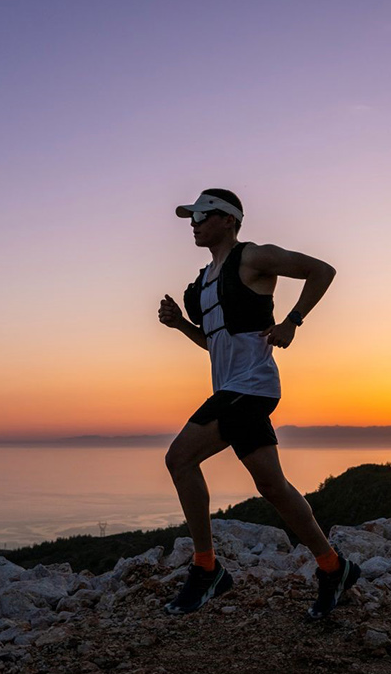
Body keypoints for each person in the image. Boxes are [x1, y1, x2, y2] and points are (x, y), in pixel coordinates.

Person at [156, 187, 361, 619]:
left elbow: (322, 270)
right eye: (190, 218)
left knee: (179, 459)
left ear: (228, 219)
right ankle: (333, 566)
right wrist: (179, 326)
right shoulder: (201, 284)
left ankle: (206, 567)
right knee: (271, 486)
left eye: (202, 215)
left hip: (252, 386)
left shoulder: (252, 257)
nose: (193, 224)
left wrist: (292, 321)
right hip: (231, 388)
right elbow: (214, 344)